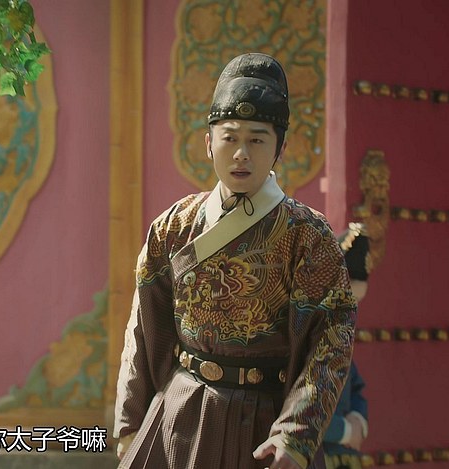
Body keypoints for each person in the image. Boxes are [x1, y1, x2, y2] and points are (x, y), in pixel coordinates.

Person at [113, 52, 357, 469]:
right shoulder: (174, 225)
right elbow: (143, 327)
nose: (241, 153)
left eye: (257, 140)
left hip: (264, 421)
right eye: (230, 137)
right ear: (209, 143)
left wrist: (295, 434)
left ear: (280, 148)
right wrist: (131, 420)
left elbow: (331, 340)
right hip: (179, 415)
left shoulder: (307, 235)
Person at [321, 224, 370, 469]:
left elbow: (356, 386)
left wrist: (359, 420)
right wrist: (343, 431)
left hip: (345, 457)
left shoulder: (342, 339)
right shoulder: (310, 338)